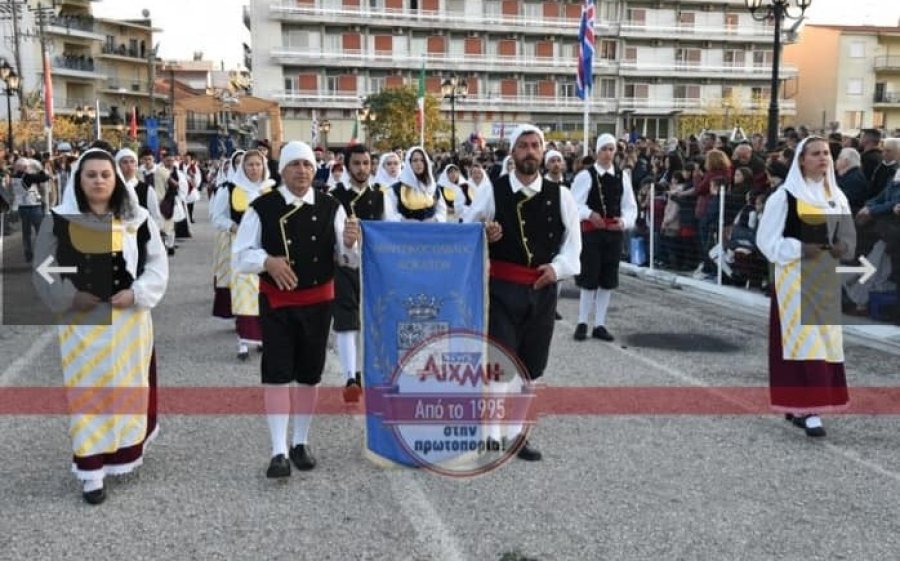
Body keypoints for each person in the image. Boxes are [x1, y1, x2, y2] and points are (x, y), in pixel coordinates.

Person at [32, 148, 169, 504]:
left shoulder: (137, 220)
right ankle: (91, 470)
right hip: (83, 324)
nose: (98, 181)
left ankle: (124, 450)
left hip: (129, 321)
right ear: (79, 180)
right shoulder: (59, 220)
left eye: (105, 175)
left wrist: (137, 292)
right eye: (90, 175)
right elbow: (44, 269)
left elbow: (156, 264)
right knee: (88, 391)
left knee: (126, 386)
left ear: (116, 180)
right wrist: (69, 296)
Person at [233, 141, 359, 478]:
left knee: (309, 373)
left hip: (319, 302)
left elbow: (349, 260)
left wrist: (349, 244)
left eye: (306, 164)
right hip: (278, 302)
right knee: (276, 373)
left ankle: (300, 443)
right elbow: (239, 255)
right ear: (282, 170)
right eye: (294, 165)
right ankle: (277, 450)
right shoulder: (262, 207)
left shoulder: (332, 206)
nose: (301, 171)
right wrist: (267, 261)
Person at [463, 124, 581, 461]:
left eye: (535, 146)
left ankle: (517, 433)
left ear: (542, 152)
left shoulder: (562, 195)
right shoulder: (493, 189)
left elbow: (573, 244)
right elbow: (468, 226)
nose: (530, 151)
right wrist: (485, 231)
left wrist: (557, 269)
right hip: (501, 289)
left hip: (542, 290)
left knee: (532, 366)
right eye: (523, 146)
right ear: (512, 152)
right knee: (499, 364)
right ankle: (490, 435)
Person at [756, 137, 856, 438]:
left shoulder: (836, 196)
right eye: (816, 154)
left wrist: (843, 247)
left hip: (824, 280)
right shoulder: (784, 197)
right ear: (802, 160)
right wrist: (799, 248)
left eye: (826, 153)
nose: (823, 158)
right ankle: (808, 409)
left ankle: (805, 402)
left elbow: (848, 235)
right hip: (794, 281)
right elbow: (766, 240)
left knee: (825, 342)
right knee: (803, 342)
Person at [328, 144, 386, 401]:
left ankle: (361, 373)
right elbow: (331, 235)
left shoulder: (380, 195)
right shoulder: (334, 195)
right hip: (343, 266)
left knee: (366, 322)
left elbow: (389, 228)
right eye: (357, 164)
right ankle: (350, 376)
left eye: (366, 163)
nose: (362, 168)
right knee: (346, 323)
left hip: (372, 268)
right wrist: (346, 245)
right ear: (347, 165)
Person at [571, 134, 638, 342]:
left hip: (613, 234)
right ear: (597, 151)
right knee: (590, 277)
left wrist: (624, 222)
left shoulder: (622, 177)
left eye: (611, 149)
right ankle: (582, 321)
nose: (608, 153)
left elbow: (630, 207)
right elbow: (574, 203)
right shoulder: (586, 176)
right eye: (604, 149)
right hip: (592, 233)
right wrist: (589, 214)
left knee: (607, 279)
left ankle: (600, 324)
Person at [216, 149, 275, 359]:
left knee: (263, 292)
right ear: (242, 167)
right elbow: (218, 218)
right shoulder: (230, 189)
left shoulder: (271, 190)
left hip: (266, 248)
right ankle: (243, 340)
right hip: (240, 247)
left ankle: (263, 337)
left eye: (258, 164)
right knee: (243, 292)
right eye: (249, 165)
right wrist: (234, 228)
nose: (254, 169)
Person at [210, 151, 244, 320]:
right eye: (237, 162)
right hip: (234, 239)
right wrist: (233, 226)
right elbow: (217, 217)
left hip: (258, 241)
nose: (241, 165)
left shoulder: (262, 188)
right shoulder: (226, 189)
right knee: (235, 278)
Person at [385, 146, 446, 222]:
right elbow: (390, 215)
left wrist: (434, 219)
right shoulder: (395, 189)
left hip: (430, 231)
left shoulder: (434, 187)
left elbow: (442, 212)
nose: (419, 163)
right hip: (405, 232)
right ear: (409, 163)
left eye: (422, 160)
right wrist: (404, 221)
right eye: (415, 160)